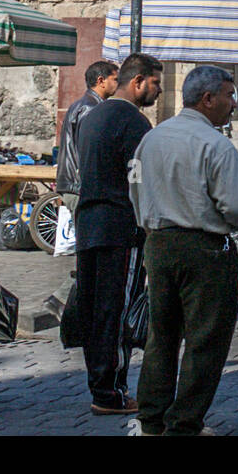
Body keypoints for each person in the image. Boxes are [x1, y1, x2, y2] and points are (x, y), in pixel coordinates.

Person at [130, 65, 238, 436]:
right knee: (205, 339)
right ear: (208, 99)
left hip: (158, 243)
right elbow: (235, 206)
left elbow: (134, 188)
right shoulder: (216, 145)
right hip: (204, 248)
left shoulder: (150, 140)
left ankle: (152, 417)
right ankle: (184, 422)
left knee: (161, 335)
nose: (234, 103)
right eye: (229, 95)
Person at [74, 52, 163, 415]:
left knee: (95, 310)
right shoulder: (133, 122)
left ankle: (101, 386)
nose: (158, 91)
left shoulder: (91, 115)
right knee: (116, 311)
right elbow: (140, 182)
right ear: (138, 81)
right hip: (120, 228)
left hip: (90, 222)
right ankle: (111, 391)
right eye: (155, 83)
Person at [56, 59, 119, 217]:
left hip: (78, 185)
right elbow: (89, 150)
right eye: (115, 79)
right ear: (101, 81)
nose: (118, 84)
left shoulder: (86, 105)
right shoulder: (90, 108)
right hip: (80, 187)